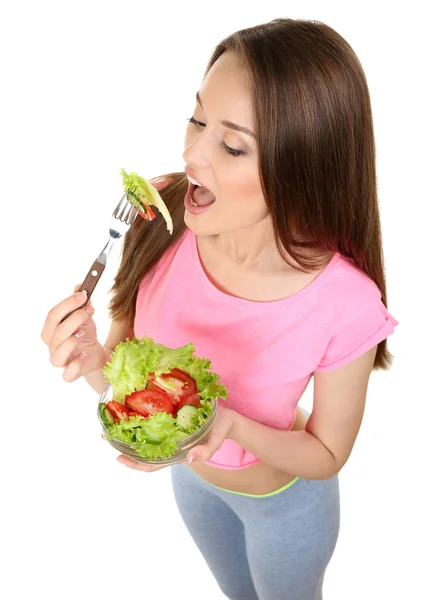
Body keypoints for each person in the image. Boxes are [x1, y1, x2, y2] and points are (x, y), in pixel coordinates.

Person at [41, 17, 399, 600]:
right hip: (193, 489)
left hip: (284, 509)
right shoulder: (160, 221)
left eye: (231, 145)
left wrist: (230, 425)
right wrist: (90, 357)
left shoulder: (345, 302)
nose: (191, 155)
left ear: (300, 168)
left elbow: (328, 453)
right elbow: (128, 381)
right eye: (197, 118)